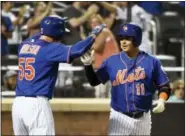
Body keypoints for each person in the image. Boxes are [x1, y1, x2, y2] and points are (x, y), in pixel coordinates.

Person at [12, 15, 106, 135]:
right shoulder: (50, 48)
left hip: (18, 105)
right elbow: (78, 50)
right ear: (57, 34)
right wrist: (93, 35)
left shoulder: (24, 45)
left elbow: (41, 37)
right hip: (36, 105)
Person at [81, 24, 171, 135]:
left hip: (143, 119)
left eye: (127, 38)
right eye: (121, 38)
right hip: (119, 118)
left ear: (136, 39)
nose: (123, 42)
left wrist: (162, 100)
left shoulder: (151, 62)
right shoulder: (111, 61)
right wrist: (88, 65)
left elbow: (164, 86)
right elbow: (94, 81)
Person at [80, 14, 119, 98]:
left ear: (100, 23)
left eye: (96, 22)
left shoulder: (102, 31)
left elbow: (98, 47)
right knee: (107, 94)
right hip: (110, 66)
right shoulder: (104, 31)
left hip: (107, 67)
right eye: (92, 23)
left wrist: (85, 41)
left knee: (101, 95)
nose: (94, 25)